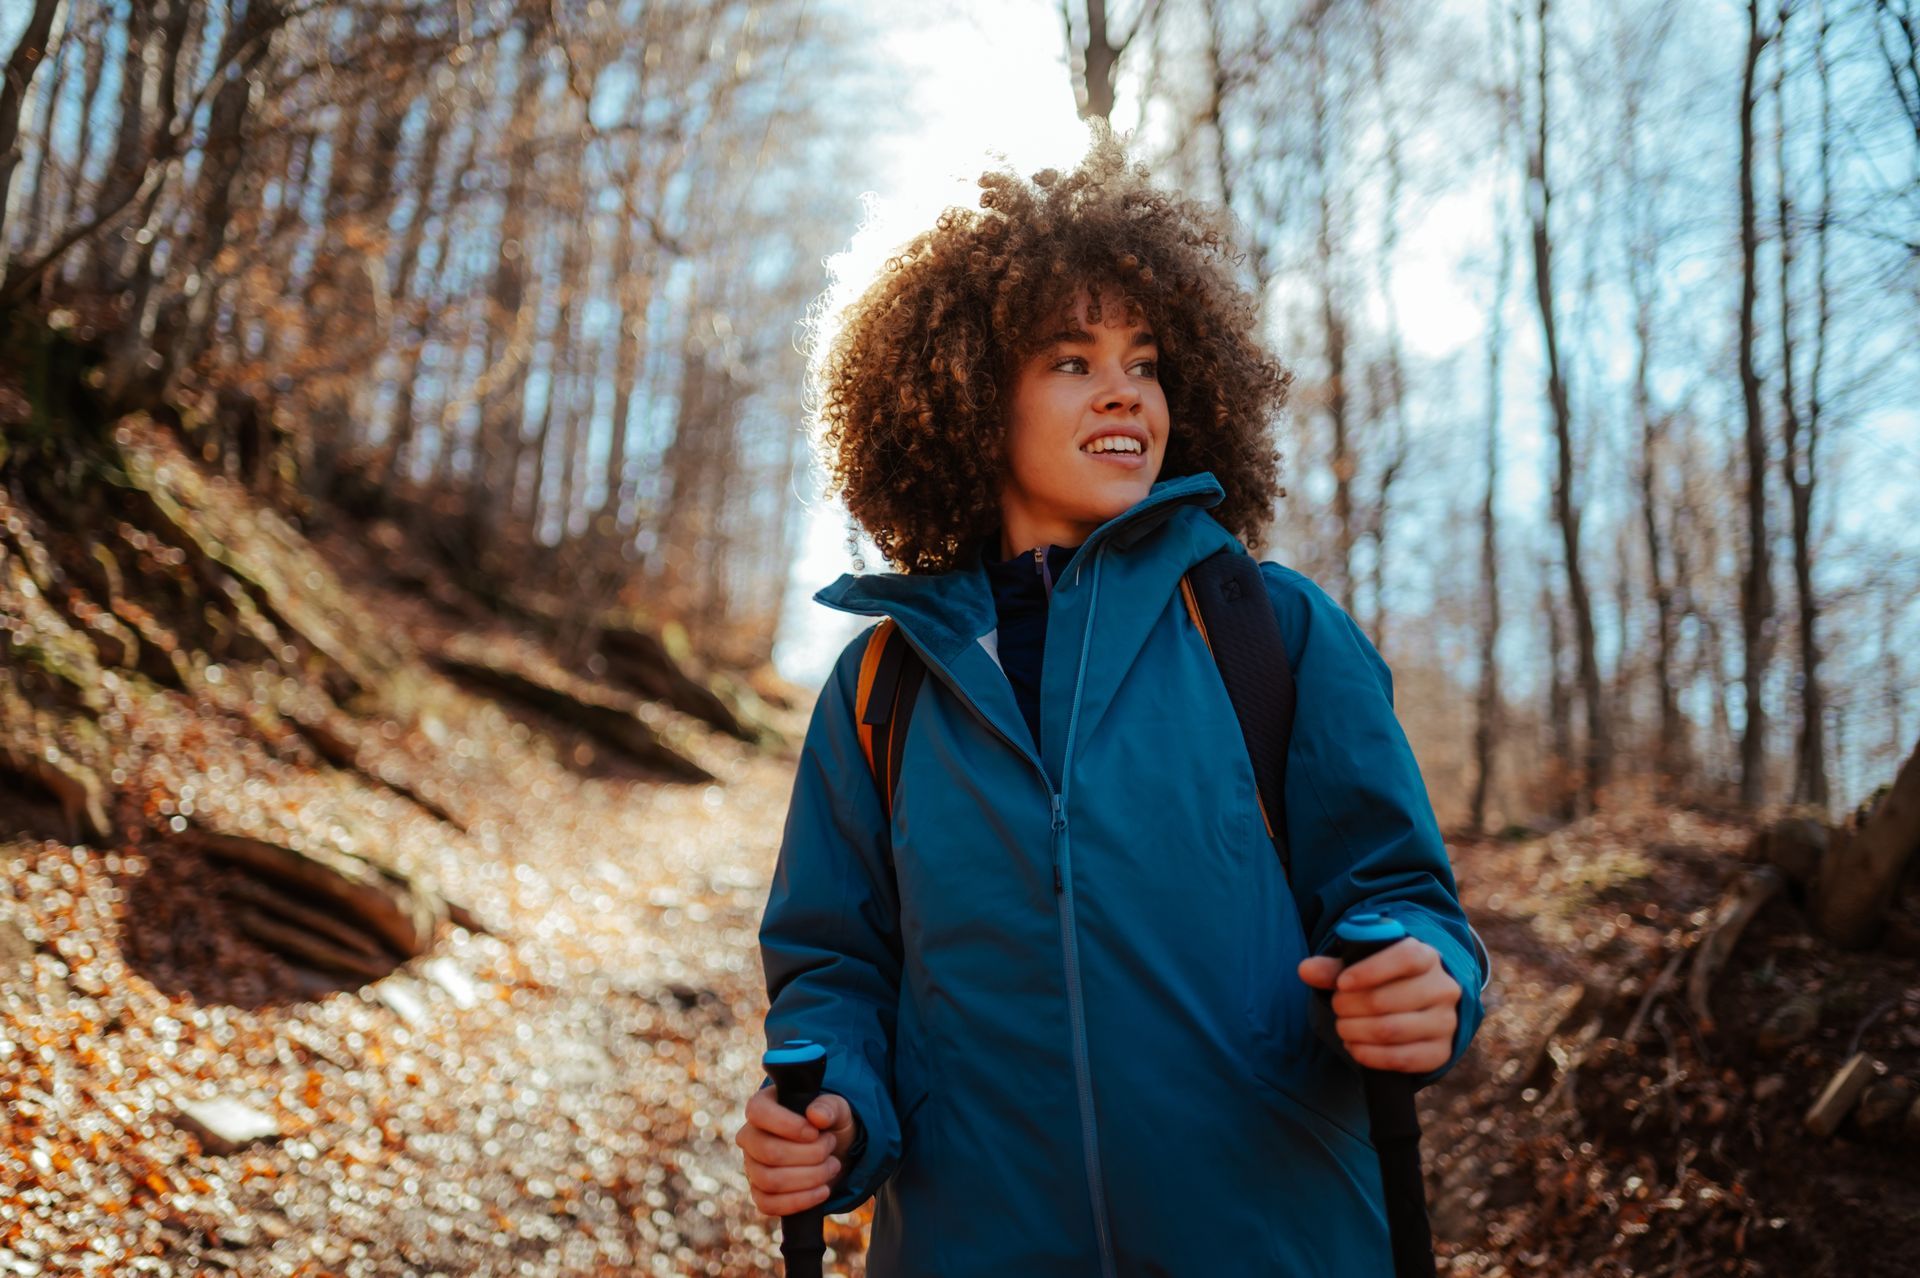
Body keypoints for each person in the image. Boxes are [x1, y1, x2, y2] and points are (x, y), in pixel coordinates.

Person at [732, 131, 1489, 1276]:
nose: (1125, 387)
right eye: (1071, 361)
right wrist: (834, 1105)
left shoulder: (1268, 630)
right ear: (970, 395)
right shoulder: (882, 691)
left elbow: (1398, 894)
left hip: (1278, 1242)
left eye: (1145, 359)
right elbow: (835, 970)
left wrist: (1433, 977)